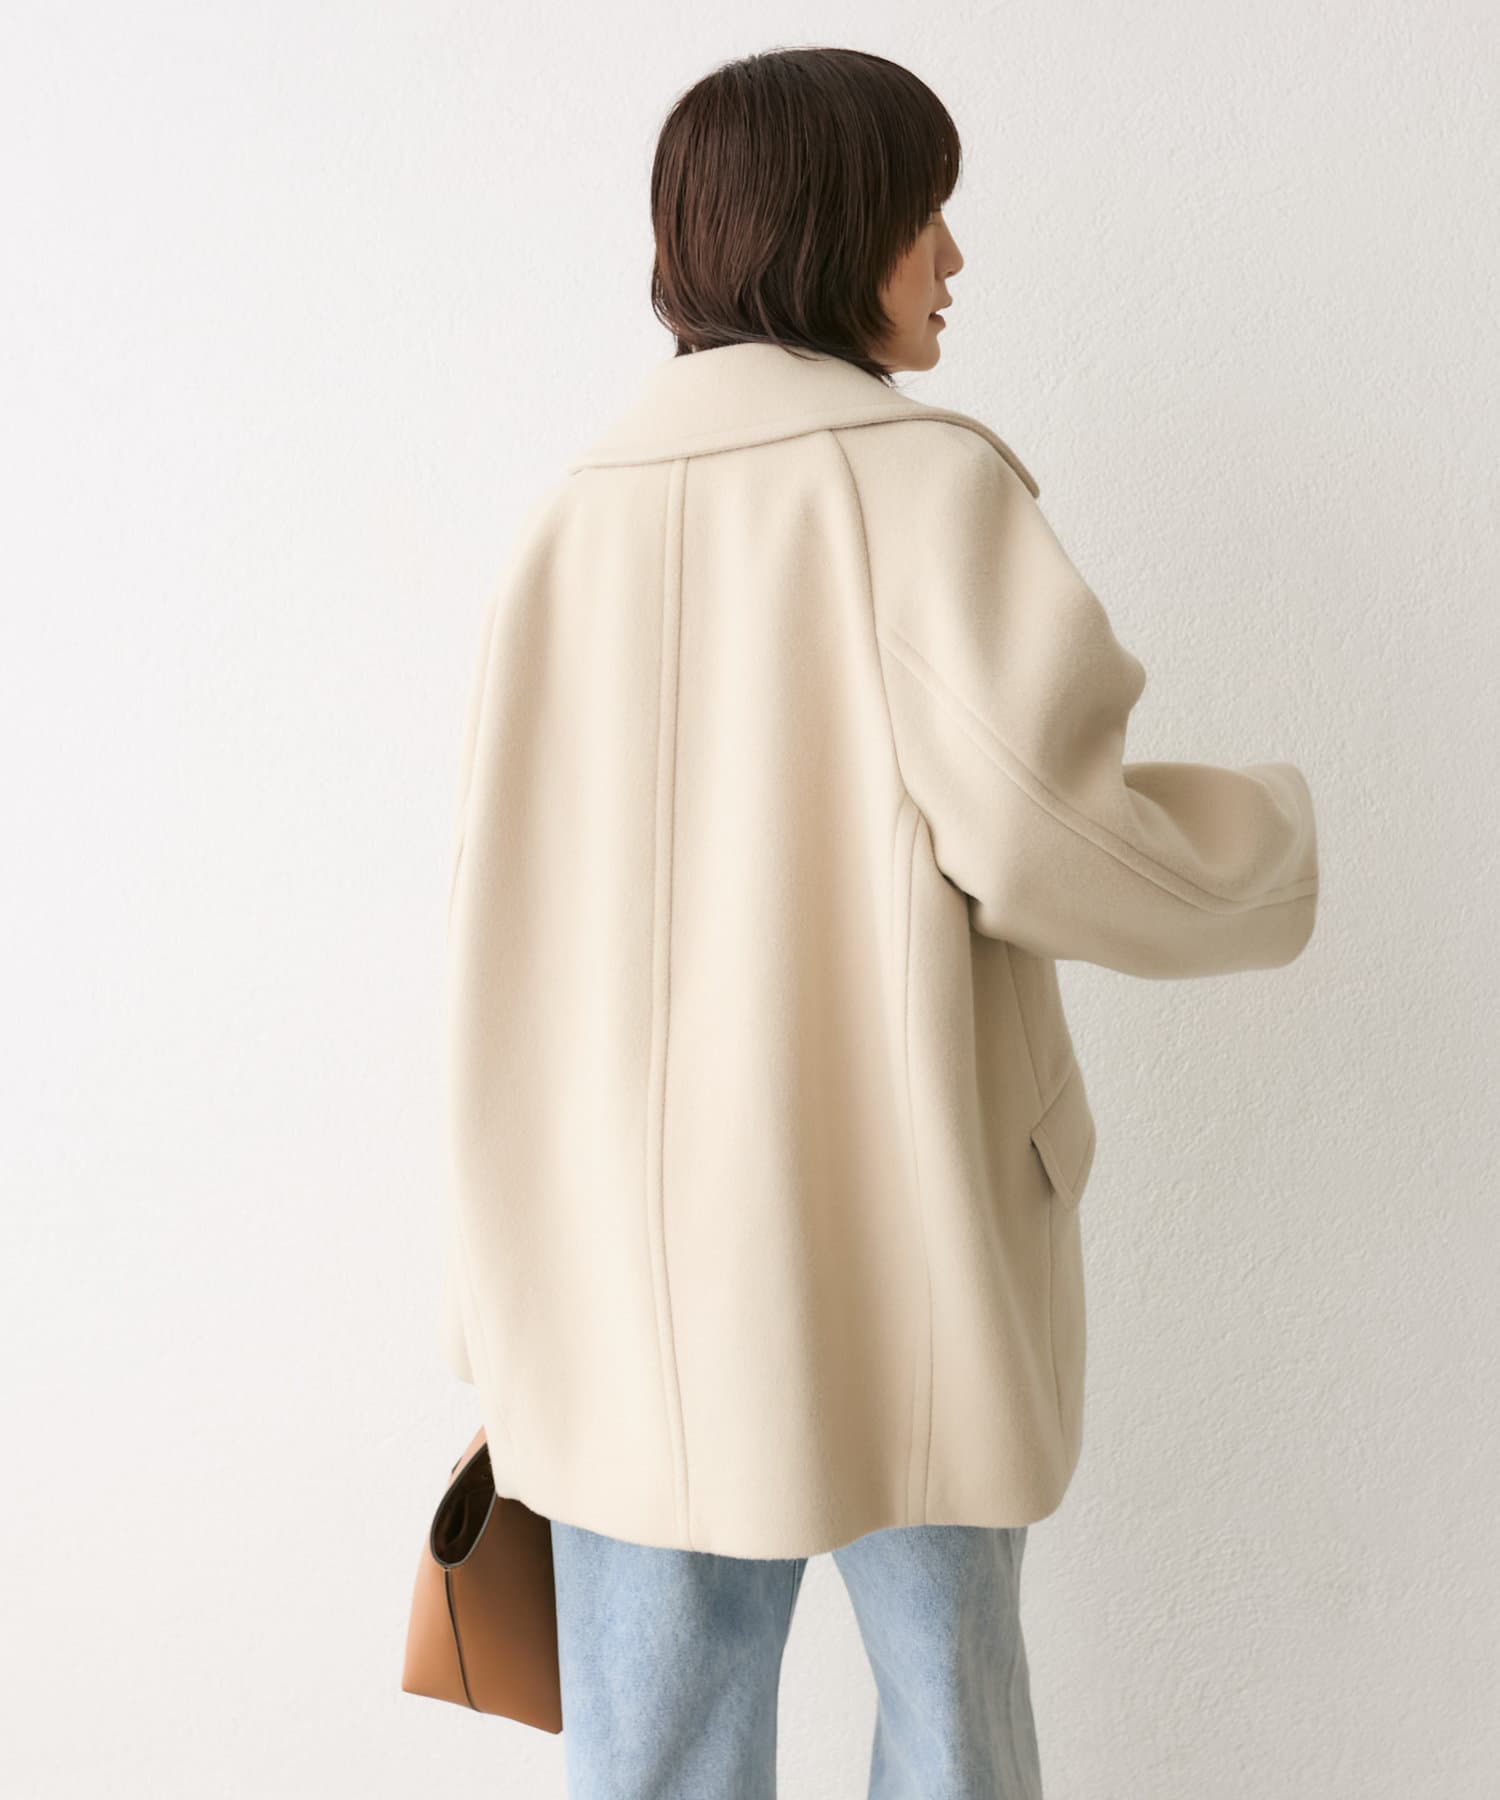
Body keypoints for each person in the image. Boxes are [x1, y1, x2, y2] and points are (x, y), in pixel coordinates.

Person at [436, 46, 1319, 1800]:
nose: (953, 257)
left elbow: (498, 921)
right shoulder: (920, 492)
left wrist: (492, 1271)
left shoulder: (569, 521)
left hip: (612, 1266)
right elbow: (1060, 834)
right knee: (952, 1732)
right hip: (897, 1234)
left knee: (655, 1763)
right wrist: (1276, 842)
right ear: (835, 228)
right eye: (927, 212)